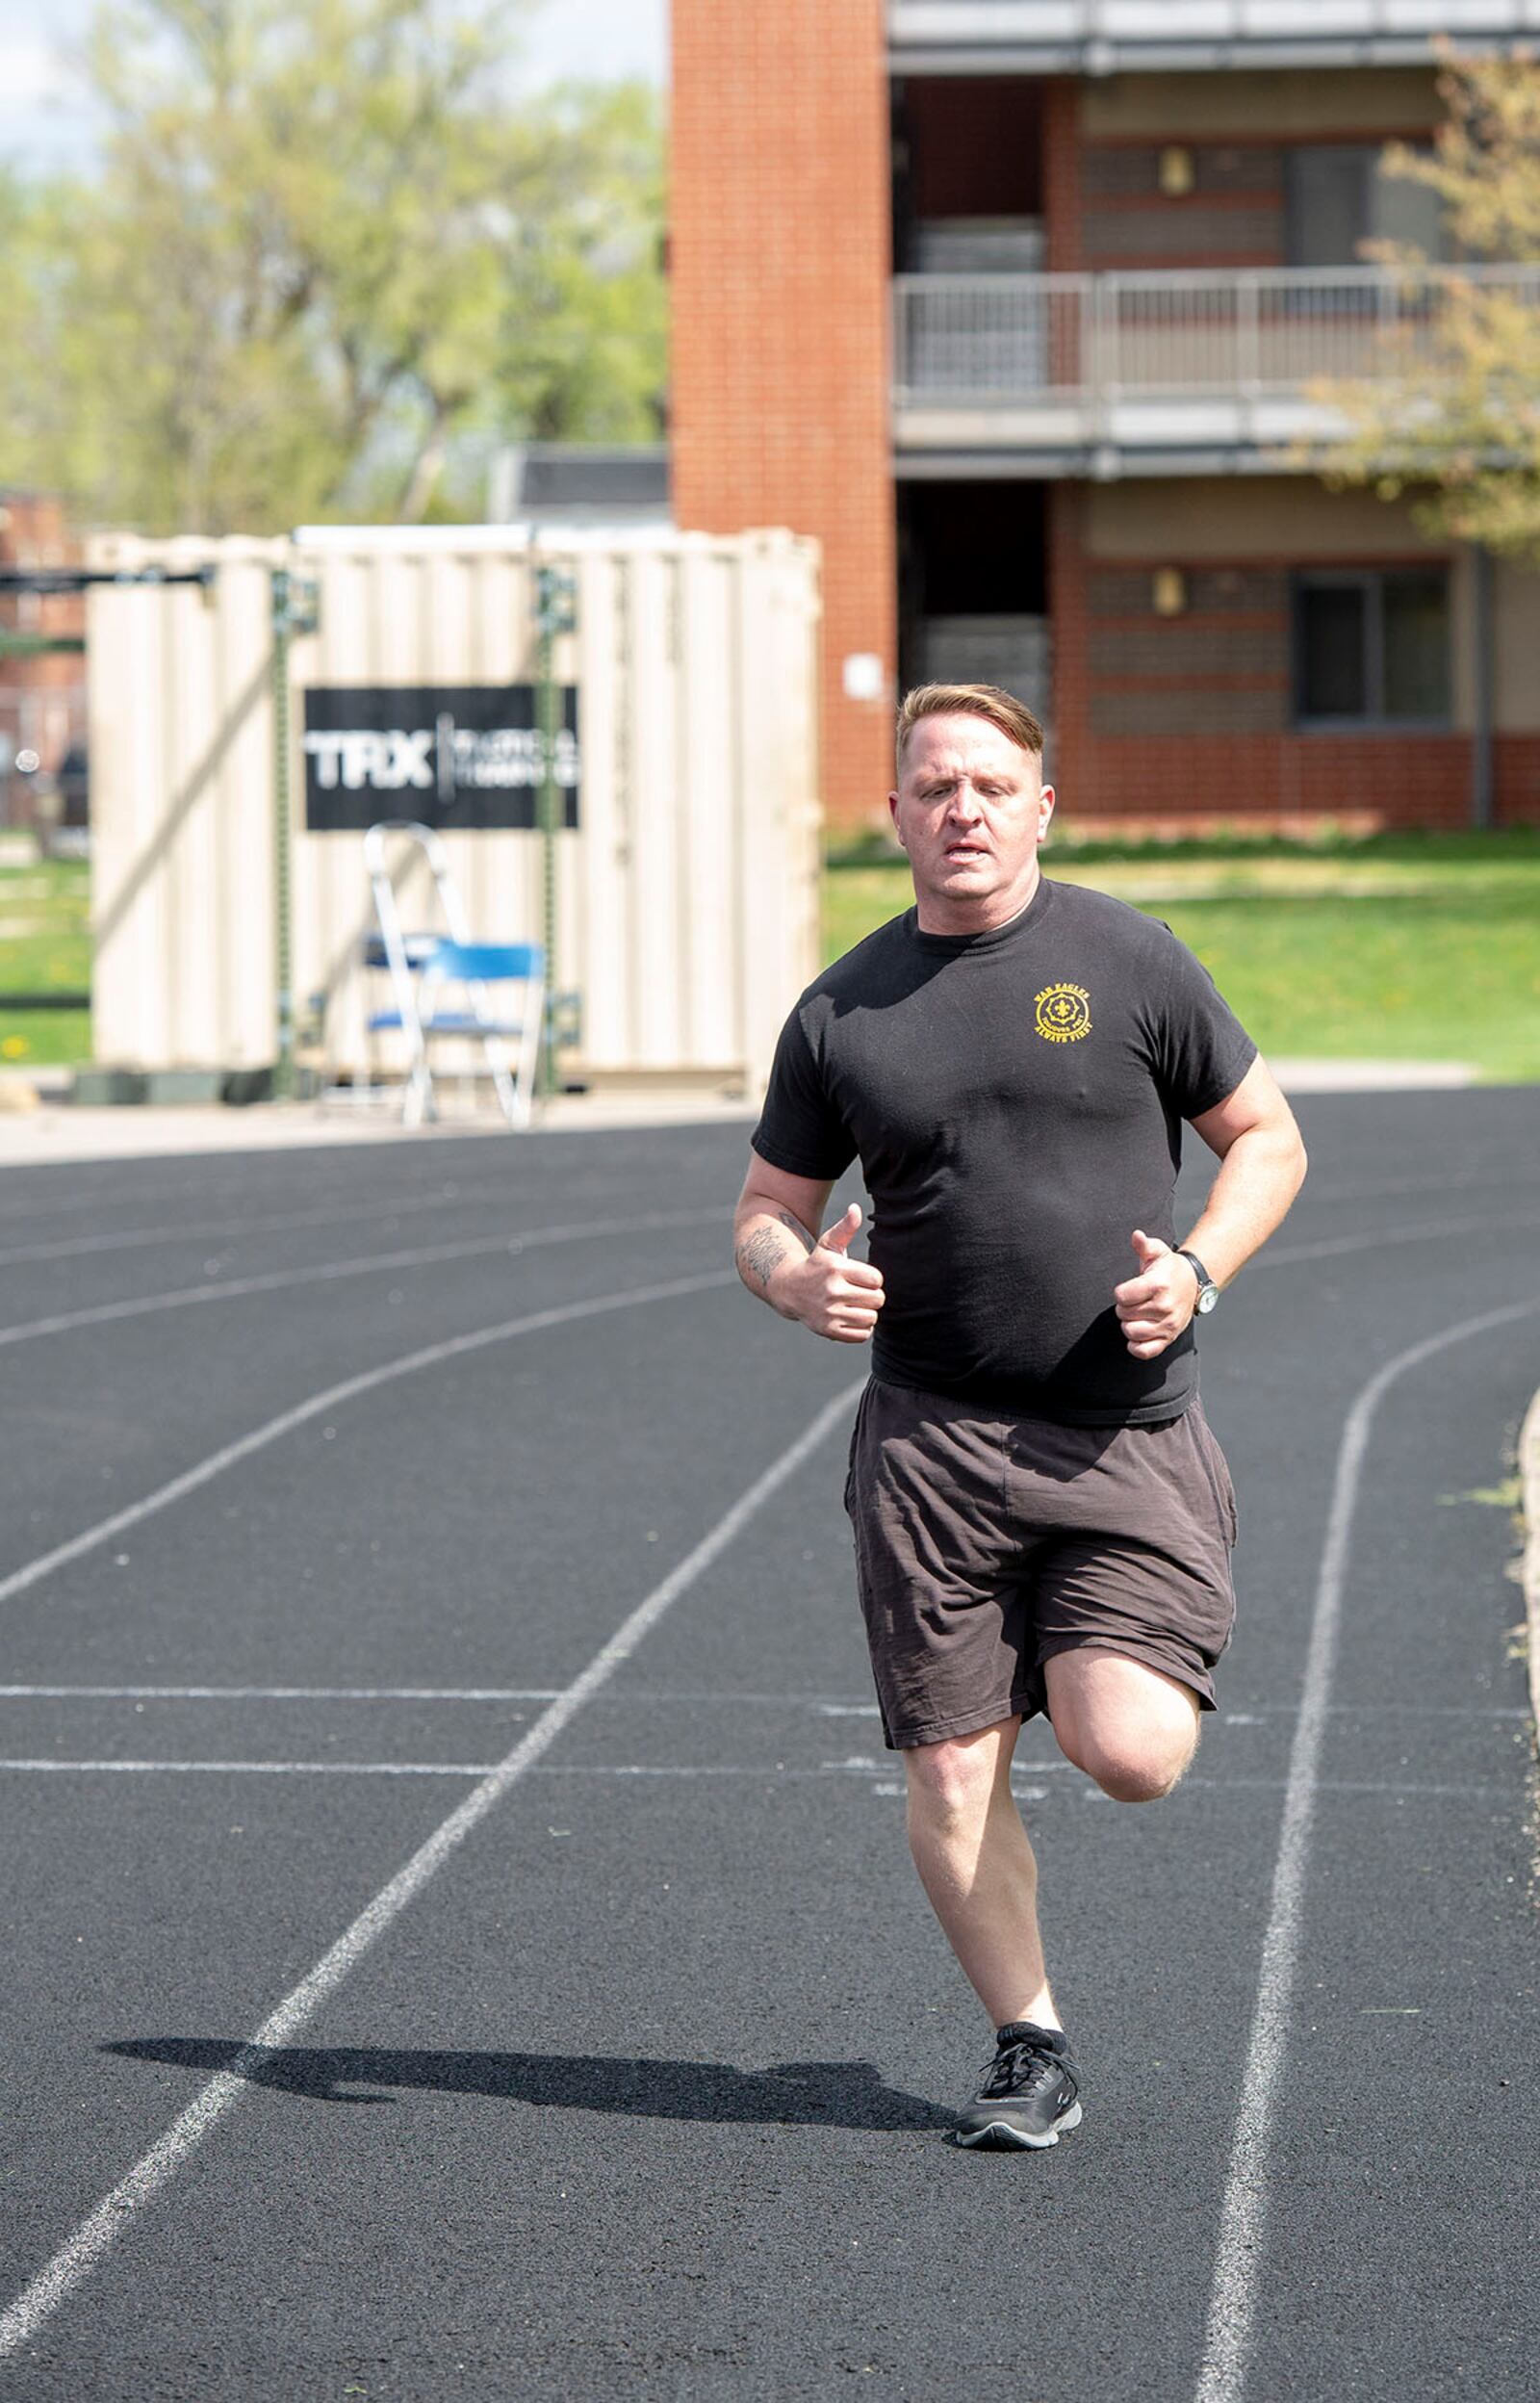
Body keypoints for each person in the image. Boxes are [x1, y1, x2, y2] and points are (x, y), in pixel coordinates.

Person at [732, 683, 1307, 2150]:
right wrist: (798, 1281)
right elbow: (763, 1214)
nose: (963, 810)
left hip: (1124, 1436)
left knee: (1131, 1754)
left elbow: (1267, 1139)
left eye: (991, 785)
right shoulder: (841, 1010)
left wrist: (1198, 1269)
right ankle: (1028, 2044)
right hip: (930, 1445)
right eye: (935, 788)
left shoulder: (1129, 961)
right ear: (898, 818)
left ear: (1042, 808)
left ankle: (1081, 1647)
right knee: (947, 1760)